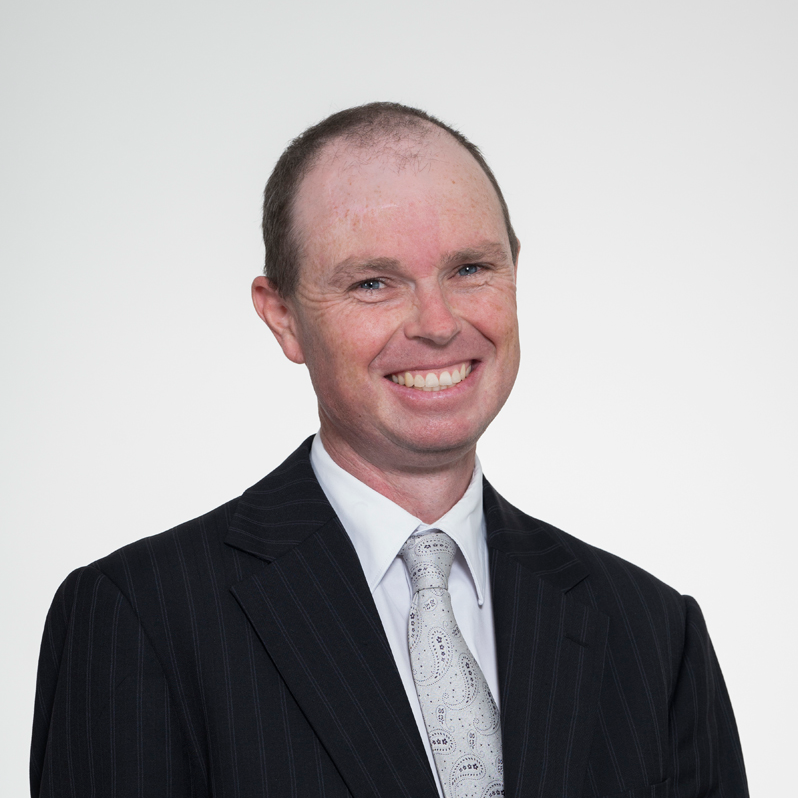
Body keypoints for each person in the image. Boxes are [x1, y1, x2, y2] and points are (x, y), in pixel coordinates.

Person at [30, 102, 748, 798]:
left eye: (470, 269)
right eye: (373, 282)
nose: (437, 325)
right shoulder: (140, 617)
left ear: (515, 272)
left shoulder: (654, 634)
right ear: (282, 317)